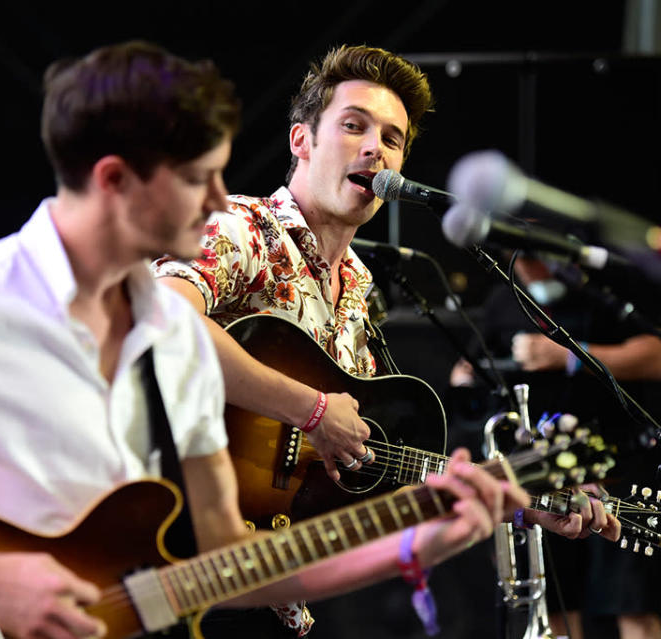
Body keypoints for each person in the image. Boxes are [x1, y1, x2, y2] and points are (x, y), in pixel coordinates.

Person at [0, 41, 529, 639]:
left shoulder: (169, 332)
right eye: (197, 178)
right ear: (115, 179)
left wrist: (409, 544)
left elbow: (230, 559)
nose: (220, 200)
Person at [153, 45, 620, 635]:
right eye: (354, 126)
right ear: (301, 141)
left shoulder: (356, 290)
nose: (377, 147)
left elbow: (378, 464)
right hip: (178, 554)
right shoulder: (245, 228)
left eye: (393, 138)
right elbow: (161, 323)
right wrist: (312, 408)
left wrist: (520, 490)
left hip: (267, 592)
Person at [449, 254, 661, 639]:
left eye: (535, 254)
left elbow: (656, 357)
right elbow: (464, 370)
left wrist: (571, 356)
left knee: (630, 606)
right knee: (554, 609)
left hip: (614, 465)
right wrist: (468, 380)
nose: (528, 266)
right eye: (518, 256)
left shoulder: (602, 291)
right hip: (543, 476)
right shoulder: (504, 300)